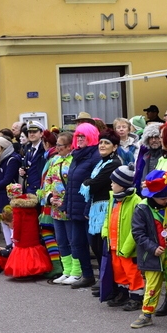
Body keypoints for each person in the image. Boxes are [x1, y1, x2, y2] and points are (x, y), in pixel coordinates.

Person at [130, 170, 167, 330]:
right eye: (162, 198)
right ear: (152, 196)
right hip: (153, 255)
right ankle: (146, 314)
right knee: (152, 285)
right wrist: (153, 248)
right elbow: (138, 234)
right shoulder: (142, 209)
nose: (166, 200)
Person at [62, 123, 101, 288]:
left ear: (91, 137)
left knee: (95, 245)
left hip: (89, 209)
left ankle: (104, 278)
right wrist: (66, 205)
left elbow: (94, 185)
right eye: (77, 136)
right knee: (77, 244)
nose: (79, 139)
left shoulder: (95, 156)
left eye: (82, 136)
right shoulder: (77, 155)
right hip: (75, 208)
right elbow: (71, 183)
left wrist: (87, 208)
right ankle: (87, 275)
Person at [101, 164, 143, 310]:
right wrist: (105, 232)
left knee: (132, 272)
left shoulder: (136, 201)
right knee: (119, 271)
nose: (111, 185)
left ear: (122, 185)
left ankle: (136, 297)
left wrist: (128, 247)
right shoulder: (113, 198)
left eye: (114, 182)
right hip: (114, 244)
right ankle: (123, 292)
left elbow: (136, 228)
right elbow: (108, 217)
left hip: (127, 247)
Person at [80, 128, 122, 272]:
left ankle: (109, 281)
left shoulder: (114, 163)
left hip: (106, 209)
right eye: (101, 142)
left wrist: (88, 183)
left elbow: (94, 185)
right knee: (96, 246)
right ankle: (104, 279)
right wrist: (89, 182)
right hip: (95, 208)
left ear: (114, 147)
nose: (102, 145)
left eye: (107, 143)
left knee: (103, 247)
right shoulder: (101, 163)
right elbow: (91, 182)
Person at [41, 132, 76, 284]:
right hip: (55, 209)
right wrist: (49, 197)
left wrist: (64, 201)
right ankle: (66, 270)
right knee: (61, 240)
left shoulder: (74, 161)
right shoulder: (54, 160)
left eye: (60, 146)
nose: (57, 148)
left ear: (69, 146)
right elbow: (47, 181)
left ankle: (76, 271)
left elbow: (75, 185)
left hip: (68, 208)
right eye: (56, 145)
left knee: (72, 241)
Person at [0, 136, 22, 246]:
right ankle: (9, 245)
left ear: (3, 147)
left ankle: (13, 245)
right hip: (2, 192)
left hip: (8, 194)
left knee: (9, 220)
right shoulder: (2, 158)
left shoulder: (12, 159)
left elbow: (8, 178)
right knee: (3, 220)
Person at [132, 122, 163, 194]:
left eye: (156, 137)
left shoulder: (165, 156)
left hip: (159, 194)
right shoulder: (145, 155)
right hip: (145, 193)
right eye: (151, 138)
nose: (153, 140)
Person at [19, 121, 47, 193]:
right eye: (29, 132)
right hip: (28, 188)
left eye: (34, 132)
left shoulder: (44, 148)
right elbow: (28, 167)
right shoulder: (27, 148)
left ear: (41, 134)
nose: (31, 134)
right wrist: (22, 172)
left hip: (40, 189)